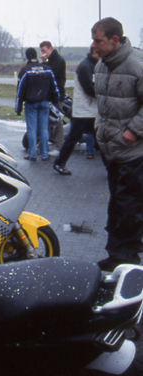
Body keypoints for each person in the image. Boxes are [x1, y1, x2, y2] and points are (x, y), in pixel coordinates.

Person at [89, 18, 143, 271]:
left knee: (128, 206)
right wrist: (100, 129)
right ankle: (116, 255)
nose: (94, 46)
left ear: (115, 40)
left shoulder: (136, 65)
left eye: (98, 40)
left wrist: (133, 131)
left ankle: (128, 262)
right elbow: (102, 106)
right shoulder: (101, 66)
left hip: (134, 152)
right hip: (111, 150)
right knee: (117, 205)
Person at [53, 47, 100, 175]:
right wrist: (104, 96)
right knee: (75, 138)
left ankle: (112, 167)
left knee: (99, 138)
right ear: (94, 52)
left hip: (89, 111)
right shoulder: (86, 66)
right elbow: (89, 88)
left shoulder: (93, 64)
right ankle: (59, 162)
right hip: (84, 111)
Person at [15, 47, 60, 162]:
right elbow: (54, 86)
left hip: (31, 104)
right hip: (45, 103)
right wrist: (56, 99)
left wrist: (18, 107)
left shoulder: (25, 71)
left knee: (32, 129)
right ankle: (45, 154)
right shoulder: (47, 69)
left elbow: (20, 91)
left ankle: (32, 154)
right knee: (44, 128)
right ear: (36, 55)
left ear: (26, 56)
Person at [40, 41, 67, 154]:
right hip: (49, 94)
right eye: (41, 51)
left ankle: (58, 145)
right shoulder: (51, 61)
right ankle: (47, 142)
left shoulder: (59, 61)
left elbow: (51, 73)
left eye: (44, 51)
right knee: (48, 120)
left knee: (57, 120)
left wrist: (44, 63)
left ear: (50, 49)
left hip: (57, 94)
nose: (43, 53)